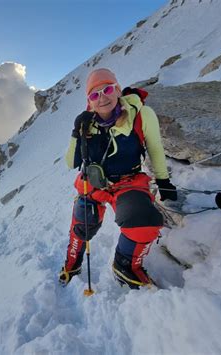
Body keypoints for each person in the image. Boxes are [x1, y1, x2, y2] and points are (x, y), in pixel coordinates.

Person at [59, 68, 177, 290]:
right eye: (95, 94)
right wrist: (77, 133)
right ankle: (71, 265)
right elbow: (71, 162)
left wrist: (163, 180)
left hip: (128, 181)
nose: (102, 97)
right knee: (82, 227)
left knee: (145, 222)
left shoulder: (141, 114)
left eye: (107, 89)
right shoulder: (86, 122)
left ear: (118, 90)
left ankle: (125, 265)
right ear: (89, 101)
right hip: (92, 183)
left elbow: (155, 148)